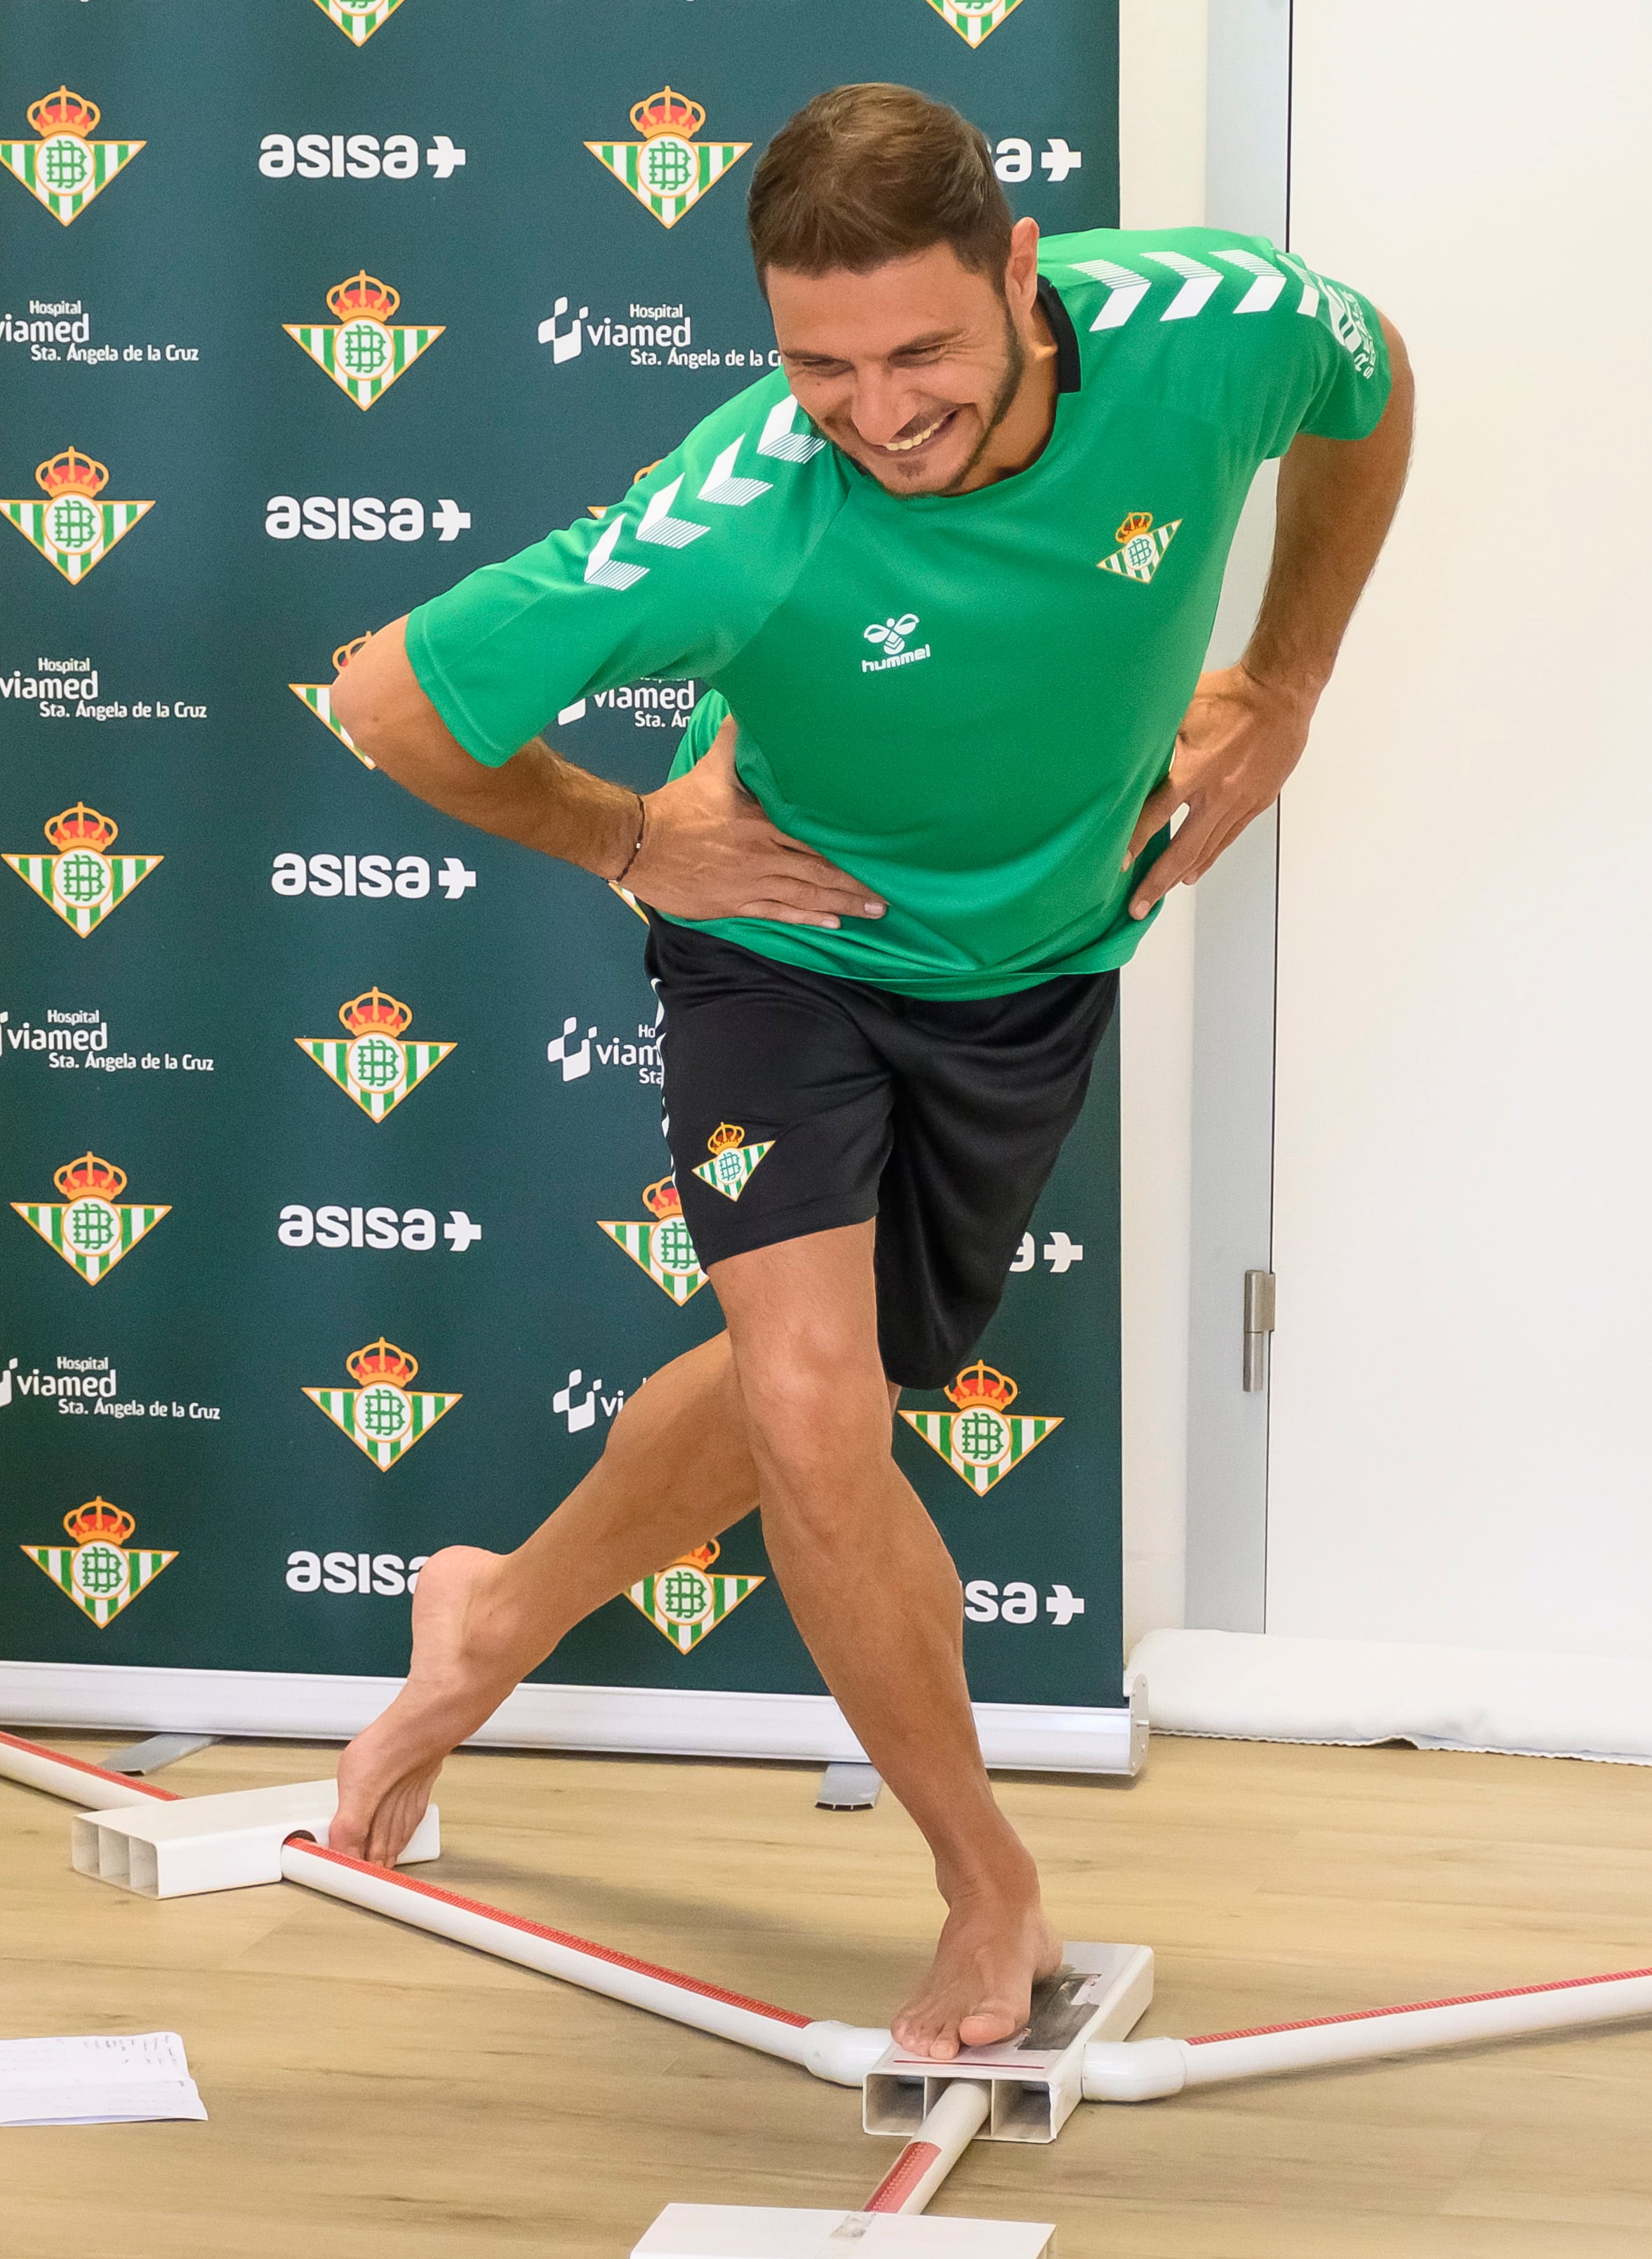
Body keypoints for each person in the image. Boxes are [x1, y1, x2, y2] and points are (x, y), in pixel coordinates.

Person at [327, 84, 1411, 2060]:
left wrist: (1291, 675)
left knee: (800, 1393)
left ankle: (486, 1617)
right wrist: (628, 838)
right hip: (783, 952)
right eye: (818, 365)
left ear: (1019, 270)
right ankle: (982, 1884)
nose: (878, 409)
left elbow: (1368, 383)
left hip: (1035, 960)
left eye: (919, 350)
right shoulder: (743, 502)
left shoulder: (1209, 322)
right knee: (822, 1411)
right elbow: (384, 696)